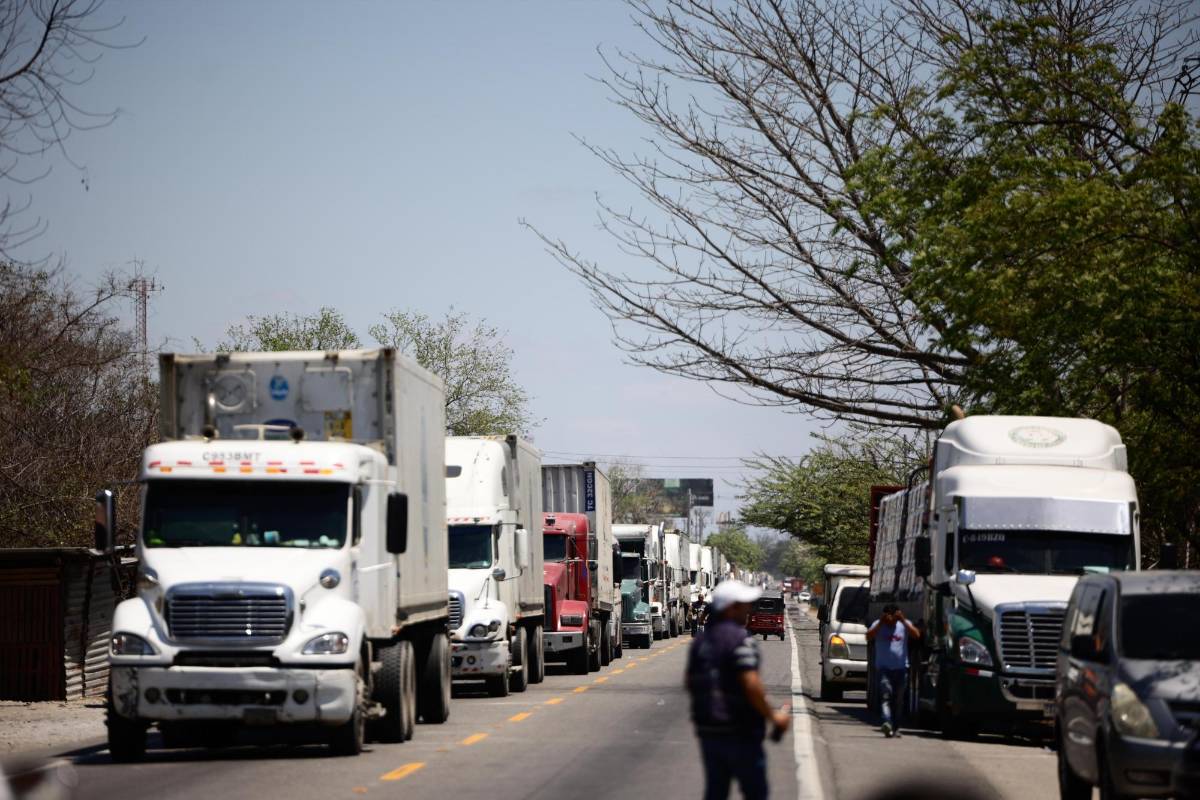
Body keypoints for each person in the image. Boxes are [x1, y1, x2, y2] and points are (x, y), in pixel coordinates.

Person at [686, 580, 791, 800]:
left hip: (709, 730)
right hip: (740, 731)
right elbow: (751, 684)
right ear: (731, 608)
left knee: (715, 792)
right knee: (756, 793)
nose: (748, 609)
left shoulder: (701, 642)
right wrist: (774, 717)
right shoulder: (741, 640)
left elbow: (690, 682)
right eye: (744, 604)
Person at [866, 603, 920, 738]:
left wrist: (903, 620)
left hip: (901, 669)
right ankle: (887, 722)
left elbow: (916, 635)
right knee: (886, 695)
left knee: (898, 700)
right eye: (889, 618)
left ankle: (896, 727)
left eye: (894, 619)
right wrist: (881, 623)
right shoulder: (877, 624)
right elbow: (868, 636)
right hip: (883, 668)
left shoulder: (903, 625)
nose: (891, 622)